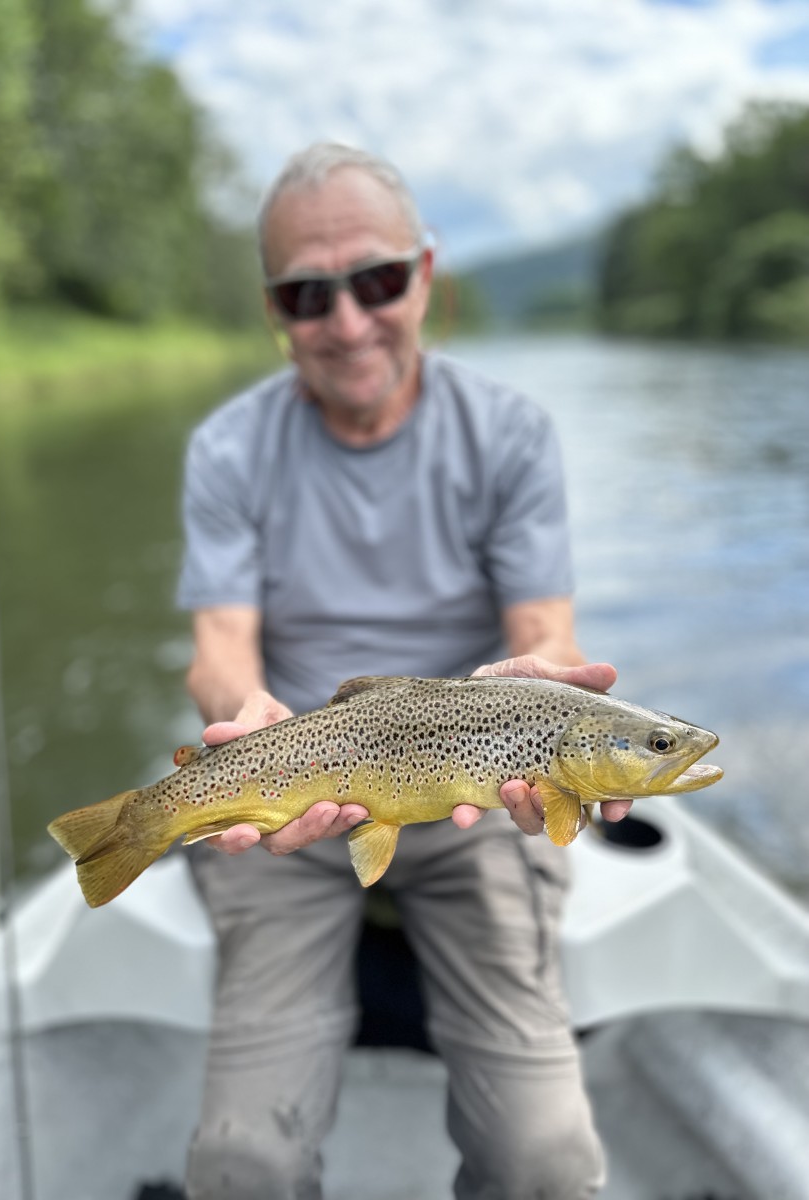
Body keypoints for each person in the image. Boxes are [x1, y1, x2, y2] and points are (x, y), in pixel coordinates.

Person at [176, 142, 631, 1200]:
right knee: (241, 1163)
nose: (345, 323)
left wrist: (542, 685)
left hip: (476, 798)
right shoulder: (228, 449)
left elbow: (547, 634)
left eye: (376, 281)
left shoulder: (512, 436)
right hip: (284, 793)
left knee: (548, 1162)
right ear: (273, 310)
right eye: (307, 294)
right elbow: (219, 649)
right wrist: (245, 717)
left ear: (426, 274)